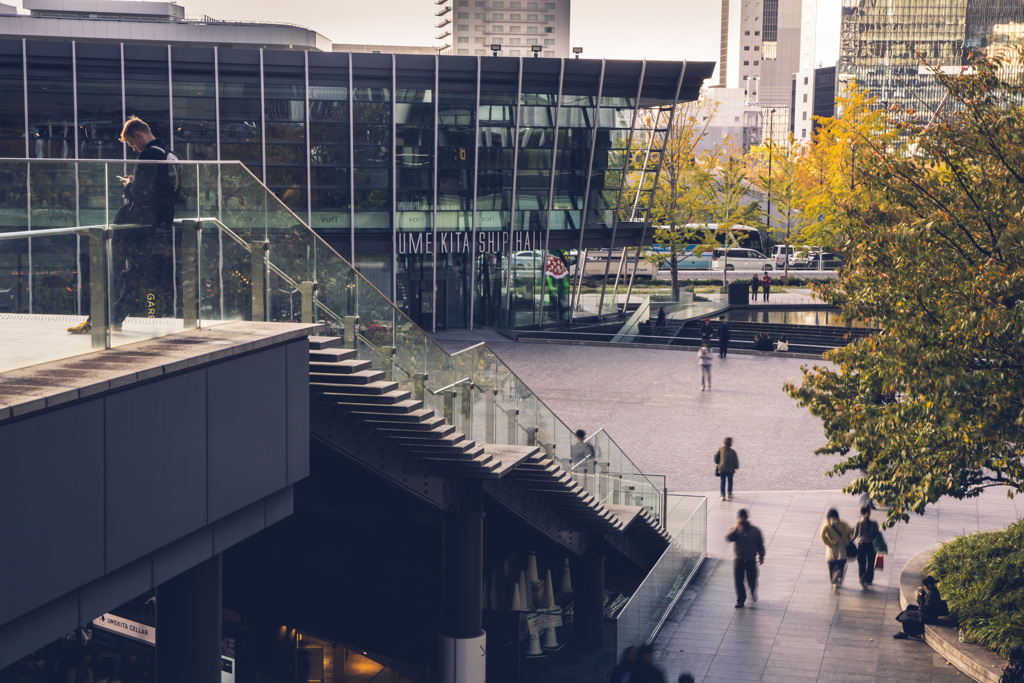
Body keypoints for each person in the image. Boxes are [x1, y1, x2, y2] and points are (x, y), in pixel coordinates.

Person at [109, 116, 180, 329]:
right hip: (154, 224)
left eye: (132, 143)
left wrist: (129, 185)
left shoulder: (148, 154)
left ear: (138, 134)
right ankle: (116, 317)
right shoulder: (171, 155)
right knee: (136, 274)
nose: (133, 148)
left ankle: (104, 316)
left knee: (112, 269)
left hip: (135, 223)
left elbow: (142, 194)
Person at [726, 508, 765, 608]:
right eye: (741, 517)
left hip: (751, 559)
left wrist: (761, 555)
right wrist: (735, 529)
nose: (742, 519)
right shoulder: (736, 529)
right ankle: (740, 600)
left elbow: (760, 544)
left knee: (752, 578)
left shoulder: (755, 531)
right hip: (739, 559)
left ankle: (752, 590)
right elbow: (728, 538)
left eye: (744, 517)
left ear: (747, 518)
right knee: (738, 580)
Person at [820, 508, 854, 591]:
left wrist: (830, 543)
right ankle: (837, 580)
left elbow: (822, 535)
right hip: (840, 546)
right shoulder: (841, 523)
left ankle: (834, 580)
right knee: (840, 564)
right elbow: (852, 530)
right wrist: (847, 536)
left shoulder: (826, 524)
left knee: (832, 564)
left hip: (832, 548)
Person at [852, 504, 878, 588]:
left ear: (861, 513)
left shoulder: (858, 523)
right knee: (871, 563)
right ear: (869, 513)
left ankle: (862, 578)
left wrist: (848, 542)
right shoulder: (874, 523)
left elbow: (854, 535)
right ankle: (869, 580)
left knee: (862, 563)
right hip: (871, 545)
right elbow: (877, 535)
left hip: (861, 545)